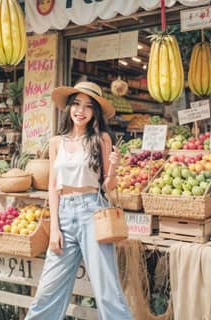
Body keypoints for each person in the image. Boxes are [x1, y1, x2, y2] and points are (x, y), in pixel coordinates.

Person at [25, 82, 133, 320]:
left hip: (92, 211)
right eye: (76, 104)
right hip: (64, 214)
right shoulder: (56, 142)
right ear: (68, 108)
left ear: (94, 112)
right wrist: (54, 228)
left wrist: (114, 167)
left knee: (107, 290)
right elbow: (53, 186)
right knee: (48, 288)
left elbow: (107, 186)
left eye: (87, 106)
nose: (80, 110)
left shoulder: (101, 139)